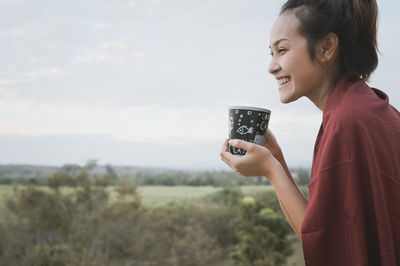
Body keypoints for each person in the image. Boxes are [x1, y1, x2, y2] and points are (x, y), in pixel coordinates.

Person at [220, 0, 400, 265]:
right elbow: (318, 230)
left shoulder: (348, 121)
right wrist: (276, 159)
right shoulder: (362, 107)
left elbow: (331, 246)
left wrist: (270, 169)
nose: (272, 66)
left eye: (282, 50)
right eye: (271, 53)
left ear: (327, 47)